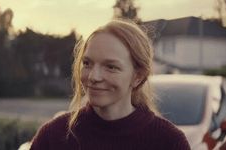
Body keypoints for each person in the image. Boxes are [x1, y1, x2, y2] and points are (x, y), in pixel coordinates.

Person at [29, 19, 190, 150]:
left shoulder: (169, 142)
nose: (93, 76)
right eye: (87, 63)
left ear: (138, 77)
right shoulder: (53, 137)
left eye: (111, 67)